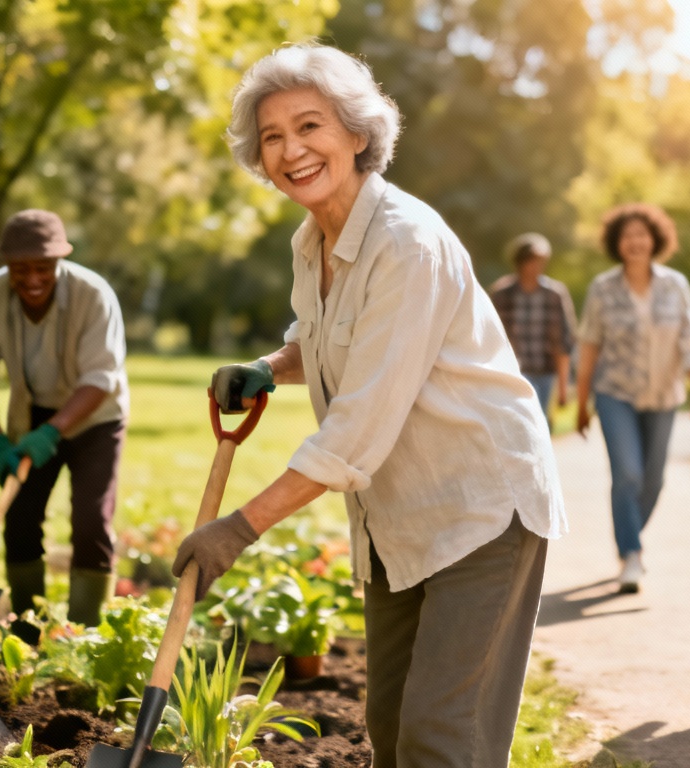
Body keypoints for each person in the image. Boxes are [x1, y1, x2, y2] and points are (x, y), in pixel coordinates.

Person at [169, 44, 565, 768]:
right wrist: (267, 367)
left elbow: (358, 427)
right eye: (272, 137)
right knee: (389, 730)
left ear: (357, 132)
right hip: (400, 520)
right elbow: (322, 339)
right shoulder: (312, 242)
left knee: (443, 738)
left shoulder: (407, 244)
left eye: (310, 126)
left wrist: (238, 529)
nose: (292, 150)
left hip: (480, 507)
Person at [0, 209, 129, 626]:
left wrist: (52, 431)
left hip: (96, 417)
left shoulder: (93, 294)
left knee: (91, 519)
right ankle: (28, 631)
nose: (32, 279)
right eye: (20, 269)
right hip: (29, 416)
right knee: (19, 519)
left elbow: (99, 378)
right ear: (7, 266)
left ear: (59, 261)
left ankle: (86, 633)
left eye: (42, 268)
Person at [573, 203, 690, 594]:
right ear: (617, 243)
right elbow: (589, 347)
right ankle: (631, 554)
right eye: (627, 235)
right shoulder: (603, 288)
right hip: (616, 394)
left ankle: (627, 533)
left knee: (653, 481)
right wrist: (582, 403)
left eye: (642, 234)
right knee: (627, 474)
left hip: (664, 396)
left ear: (655, 240)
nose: (635, 241)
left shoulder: (675, 285)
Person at [489, 233, 579, 429]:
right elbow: (491, 339)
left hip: (546, 372)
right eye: (531, 261)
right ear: (519, 261)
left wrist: (563, 389)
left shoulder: (554, 294)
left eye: (540, 261)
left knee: (541, 425)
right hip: (514, 373)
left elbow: (564, 341)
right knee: (519, 425)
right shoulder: (502, 294)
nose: (536, 266)